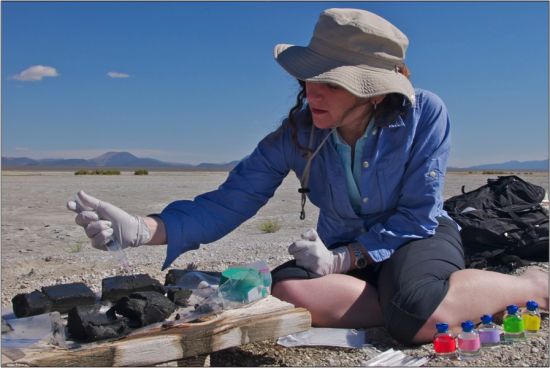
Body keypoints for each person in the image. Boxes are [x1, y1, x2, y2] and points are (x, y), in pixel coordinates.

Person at [68, 8, 548, 345]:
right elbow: (228, 201)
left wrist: (346, 261)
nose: (310, 93)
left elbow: (418, 213)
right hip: (338, 253)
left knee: (418, 316)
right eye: (307, 80)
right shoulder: (297, 135)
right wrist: (142, 229)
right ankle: (415, 294)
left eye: (328, 82)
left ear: (374, 91)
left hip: (415, 237)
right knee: (286, 289)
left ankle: (531, 284)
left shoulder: (425, 115)